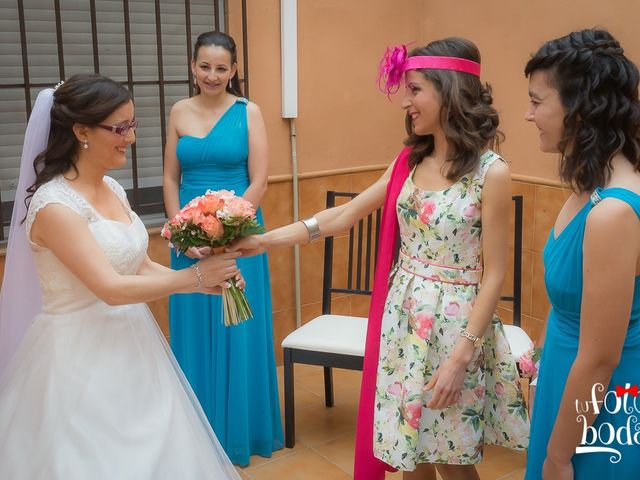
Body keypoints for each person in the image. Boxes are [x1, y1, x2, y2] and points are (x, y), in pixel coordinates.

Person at [231, 37, 529, 480]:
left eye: (414, 89)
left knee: (454, 460)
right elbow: (345, 216)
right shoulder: (409, 160)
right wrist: (264, 239)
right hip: (403, 321)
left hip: (455, 329)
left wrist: (461, 357)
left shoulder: (491, 172)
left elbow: (495, 274)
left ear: (447, 91)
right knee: (411, 452)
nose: (405, 102)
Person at [0, 73, 243, 479]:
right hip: (77, 361)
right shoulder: (53, 206)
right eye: (120, 127)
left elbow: (138, 264)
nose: (130, 138)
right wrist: (195, 278)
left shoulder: (112, 188)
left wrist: (209, 285)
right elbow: (110, 288)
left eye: (133, 125)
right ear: (81, 131)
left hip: (134, 346)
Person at [162, 30, 283, 466]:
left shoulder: (249, 112)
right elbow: (171, 178)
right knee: (194, 327)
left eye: (221, 67)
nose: (212, 75)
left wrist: (227, 231)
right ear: (193, 67)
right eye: (204, 66)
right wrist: (181, 232)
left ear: (234, 70)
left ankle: (239, 433)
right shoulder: (178, 110)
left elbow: (260, 180)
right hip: (187, 240)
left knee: (239, 328)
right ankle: (197, 433)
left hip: (239, 233)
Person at [524, 29, 640, 480]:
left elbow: (601, 359)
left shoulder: (614, 212)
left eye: (537, 102)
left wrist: (559, 454)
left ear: (579, 108)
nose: (528, 114)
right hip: (565, 381)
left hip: (601, 409)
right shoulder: (590, 188)